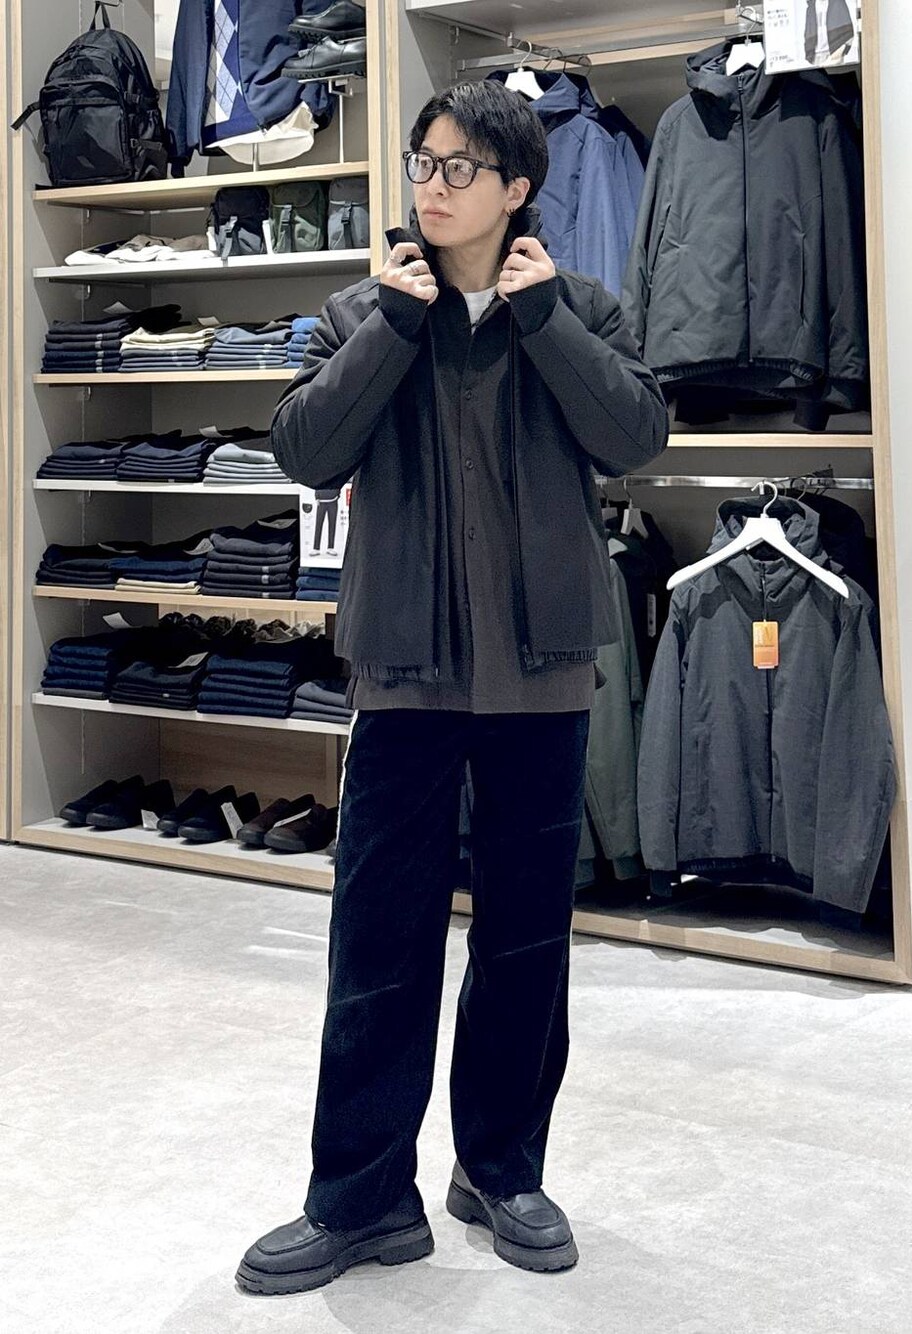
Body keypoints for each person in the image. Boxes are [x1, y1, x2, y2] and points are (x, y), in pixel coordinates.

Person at [236, 79, 667, 1297]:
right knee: (378, 941)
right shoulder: (361, 308)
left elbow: (637, 436)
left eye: (459, 167)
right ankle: (361, 1196)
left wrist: (546, 322)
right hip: (403, 672)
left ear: (517, 187)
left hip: (541, 671)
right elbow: (303, 448)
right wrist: (389, 324)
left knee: (525, 940)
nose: (432, 185)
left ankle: (501, 1168)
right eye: (423, 162)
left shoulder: (579, 305)